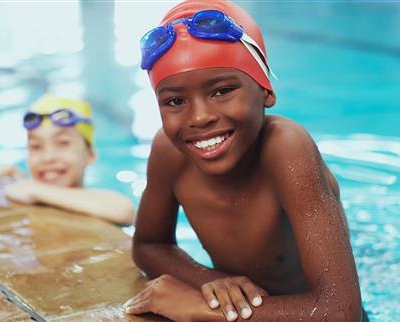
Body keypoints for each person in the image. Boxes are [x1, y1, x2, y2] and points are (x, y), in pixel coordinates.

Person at [124, 1, 368, 321]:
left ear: (265, 89)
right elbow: (149, 246)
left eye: (222, 90)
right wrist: (211, 282)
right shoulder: (169, 152)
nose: (199, 117)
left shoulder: (285, 148)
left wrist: (198, 308)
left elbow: (341, 312)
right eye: (175, 101)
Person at [0, 94, 134, 225]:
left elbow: (124, 210)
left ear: (90, 155)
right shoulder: (28, 188)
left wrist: (36, 190)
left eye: (63, 143)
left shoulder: (102, 203)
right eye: (36, 146)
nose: (48, 158)